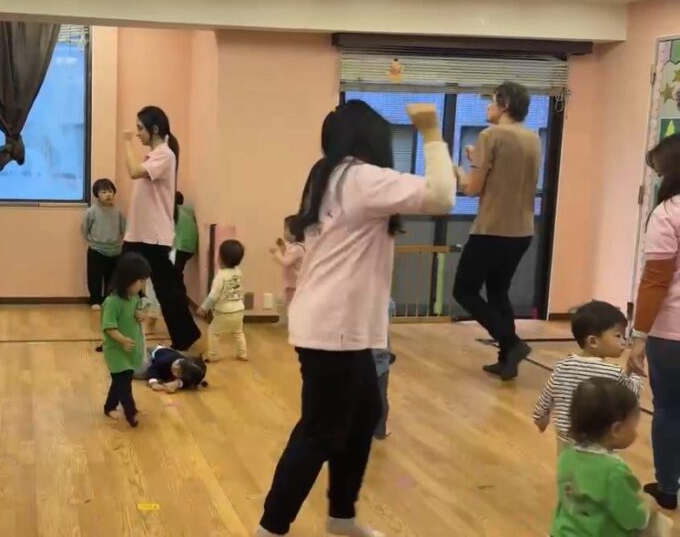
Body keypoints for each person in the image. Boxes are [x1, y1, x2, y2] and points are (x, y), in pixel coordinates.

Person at [257, 101, 455, 537]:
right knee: (319, 432)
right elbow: (443, 197)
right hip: (335, 328)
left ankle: (341, 518)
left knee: (364, 415)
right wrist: (431, 132)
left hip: (335, 325)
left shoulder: (328, 176)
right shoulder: (360, 178)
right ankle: (270, 529)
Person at [451, 82, 541, 381]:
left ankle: (512, 343)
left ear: (505, 105)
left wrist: (459, 171)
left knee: (464, 290)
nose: (487, 107)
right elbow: (507, 174)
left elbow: (471, 189)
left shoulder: (490, 135)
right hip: (522, 230)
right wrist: (477, 160)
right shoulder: (533, 137)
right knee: (498, 291)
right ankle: (507, 360)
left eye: (491, 102)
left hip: (491, 229)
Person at [121, 106, 201, 351]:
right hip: (139, 234)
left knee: (168, 289)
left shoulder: (164, 155)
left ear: (154, 129)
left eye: (140, 128)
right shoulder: (155, 155)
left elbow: (134, 172)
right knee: (124, 285)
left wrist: (126, 142)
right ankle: (119, 337)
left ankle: (185, 336)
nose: (137, 133)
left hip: (153, 237)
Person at [550, 378, 673, 537]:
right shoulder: (614, 472)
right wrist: (648, 506)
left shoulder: (566, 455)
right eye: (633, 426)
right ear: (616, 429)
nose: (636, 433)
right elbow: (634, 519)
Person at [630, 133, 680, 511]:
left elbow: (656, 281)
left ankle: (667, 488)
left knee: (669, 409)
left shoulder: (667, 214)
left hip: (671, 333)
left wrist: (638, 336)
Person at [533, 301, 643, 454]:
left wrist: (540, 417)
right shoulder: (613, 373)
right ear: (593, 341)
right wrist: (636, 372)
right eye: (618, 336)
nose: (624, 342)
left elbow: (547, 394)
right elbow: (633, 394)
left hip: (566, 439)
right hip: (599, 443)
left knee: (567, 469)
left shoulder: (563, 366)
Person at [101, 253, 152, 428]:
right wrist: (122, 340)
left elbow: (145, 306)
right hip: (116, 351)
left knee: (121, 381)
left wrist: (143, 313)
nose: (142, 285)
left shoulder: (135, 297)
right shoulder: (112, 302)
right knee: (124, 385)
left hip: (129, 350)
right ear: (127, 279)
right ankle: (131, 412)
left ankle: (109, 407)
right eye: (140, 281)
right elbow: (108, 327)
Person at [197, 240, 247, 362]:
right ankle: (242, 354)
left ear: (220, 258)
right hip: (239, 310)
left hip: (224, 312)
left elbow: (213, 296)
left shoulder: (220, 276)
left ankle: (213, 355)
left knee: (213, 332)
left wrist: (204, 307)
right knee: (238, 332)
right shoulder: (238, 272)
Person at [82, 178, 126, 309]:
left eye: (110, 191)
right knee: (94, 277)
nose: (108, 194)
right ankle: (95, 300)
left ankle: (108, 300)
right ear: (97, 194)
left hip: (115, 250)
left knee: (112, 278)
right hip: (96, 250)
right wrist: (92, 241)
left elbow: (124, 229)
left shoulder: (118, 212)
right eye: (104, 192)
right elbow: (84, 229)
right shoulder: (91, 211)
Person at [270, 215, 306, 325]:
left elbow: (286, 262)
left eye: (286, 229)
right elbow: (287, 255)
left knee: (290, 303)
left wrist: (276, 254)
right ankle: (284, 320)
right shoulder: (293, 246)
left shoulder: (297, 248)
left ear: (294, 232)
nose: (284, 232)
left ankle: (292, 322)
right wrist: (282, 248)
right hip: (291, 282)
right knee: (281, 301)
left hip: (295, 283)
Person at [373, 299, 397, 440]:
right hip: (380, 355)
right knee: (381, 395)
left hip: (358, 353)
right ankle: (380, 430)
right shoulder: (386, 302)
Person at [144, 345, 209, 392]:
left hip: (172, 353)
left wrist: (178, 383)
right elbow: (152, 369)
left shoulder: (193, 371)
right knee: (141, 373)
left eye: (178, 372)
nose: (175, 368)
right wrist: (153, 383)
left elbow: (196, 379)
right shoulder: (164, 361)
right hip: (155, 352)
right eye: (177, 365)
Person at [174, 192, 198, 273]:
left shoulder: (174, 211)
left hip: (182, 247)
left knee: (175, 272)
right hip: (192, 247)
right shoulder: (189, 209)